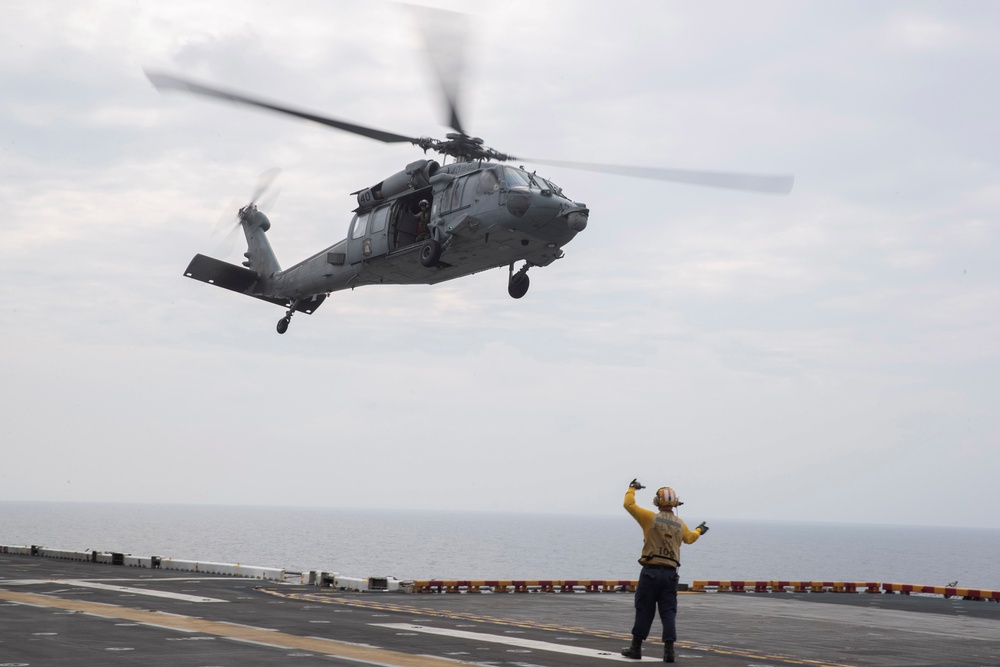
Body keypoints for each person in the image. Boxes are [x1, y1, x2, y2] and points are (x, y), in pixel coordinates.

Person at [621, 479, 708, 662]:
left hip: (650, 572)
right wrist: (699, 530)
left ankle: (636, 648)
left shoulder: (650, 518)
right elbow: (690, 538)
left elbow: (628, 505)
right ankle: (669, 651)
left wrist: (632, 489)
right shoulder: (680, 524)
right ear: (675, 503)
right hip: (670, 575)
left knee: (644, 609)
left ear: (657, 502)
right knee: (668, 612)